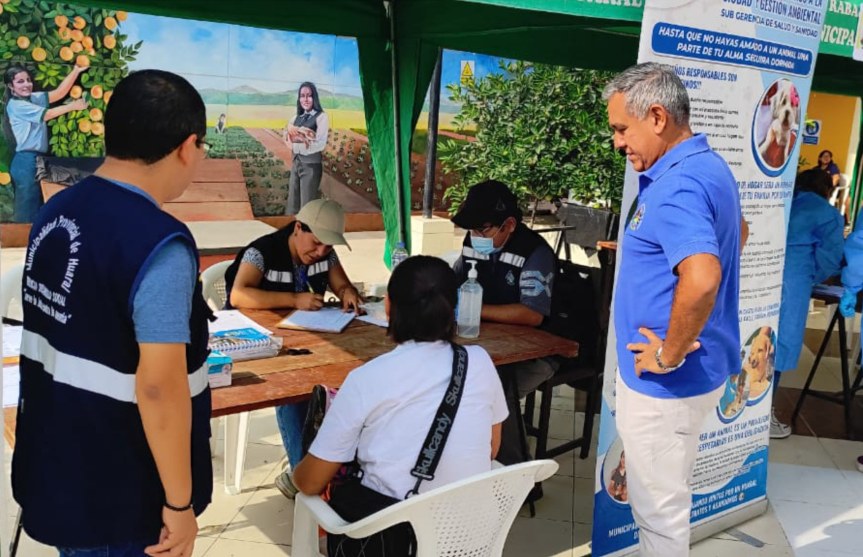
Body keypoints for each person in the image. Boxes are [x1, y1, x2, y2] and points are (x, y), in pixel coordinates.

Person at [12, 69, 212, 557]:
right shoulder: (157, 243)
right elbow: (159, 387)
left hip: (61, 463)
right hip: (123, 492)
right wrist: (180, 505)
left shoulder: (58, 210)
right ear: (188, 146)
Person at [604, 62, 742, 556]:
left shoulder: (677, 184)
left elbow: (703, 277)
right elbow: (737, 233)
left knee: (659, 517)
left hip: (667, 382)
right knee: (664, 501)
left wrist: (668, 354)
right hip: (688, 378)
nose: (618, 142)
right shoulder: (706, 166)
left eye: (622, 128)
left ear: (657, 117)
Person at [293, 255, 508, 551]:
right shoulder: (479, 361)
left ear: (389, 307)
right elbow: (491, 448)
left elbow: (310, 484)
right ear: (453, 308)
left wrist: (296, 472)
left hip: (395, 538)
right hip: (468, 538)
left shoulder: (365, 379)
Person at [223, 198, 361, 498]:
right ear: (298, 227)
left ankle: (326, 468)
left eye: (328, 246)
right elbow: (238, 295)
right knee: (295, 391)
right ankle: (304, 477)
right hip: (252, 344)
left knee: (346, 381)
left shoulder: (325, 254)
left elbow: (341, 285)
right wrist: (294, 299)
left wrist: (348, 292)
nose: (320, 252)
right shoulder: (261, 252)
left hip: (303, 341)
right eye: (316, 243)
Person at [450, 179, 556, 467]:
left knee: (489, 389)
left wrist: (475, 309)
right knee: (453, 378)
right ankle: (466, 460)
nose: (474, 237)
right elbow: (455, 281)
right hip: (488, 343)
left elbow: (532, 314)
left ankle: (517, 472)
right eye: (470, 230)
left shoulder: (536, 253)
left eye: (482, 230)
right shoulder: (474, 243)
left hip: (539, 353)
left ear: (508, 224)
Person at [772, 168, 844, 438]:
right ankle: (763, 415)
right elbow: (829, 259)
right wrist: (808, 275)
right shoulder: (828, 215)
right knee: (779, 345)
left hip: (757, 275)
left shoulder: (780, 200)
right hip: (793, 281)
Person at [2, 63, 88, 222]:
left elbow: (59, 93)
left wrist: (76, 70)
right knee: (27, 208)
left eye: (28, 80)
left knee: (39, 205)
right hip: (25, 160)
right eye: (20, 81)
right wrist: (73, 106)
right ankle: (23, 242)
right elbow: (47, 114)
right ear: (11, 86)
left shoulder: (33, 98)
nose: (27, 84)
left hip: (37, 159)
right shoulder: (16, 105)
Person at [284, 81, 328, 215]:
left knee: (306, 207)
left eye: (309, 95)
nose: (306, 99)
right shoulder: (295, 118)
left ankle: (306, 235)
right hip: (296, 163)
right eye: (302, 96)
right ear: (299, 98)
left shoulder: (321, 117)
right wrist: (302, 139)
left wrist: (299, 141)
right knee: (293, 204)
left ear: (314, 98)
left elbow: (320, 143)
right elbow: (286, 138)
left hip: (311, 166)